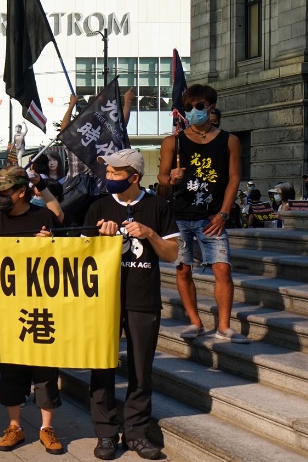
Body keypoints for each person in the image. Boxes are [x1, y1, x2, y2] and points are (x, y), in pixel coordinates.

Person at [84, 149, 179, 460]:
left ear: (134, 177)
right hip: (104, 301)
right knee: (102, 368)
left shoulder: (158, 206)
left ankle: (137, 434)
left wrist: (150, 233)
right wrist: (100, 239)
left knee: (141, 369)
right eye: (108, 173)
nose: (109, 178)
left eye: (115, 173)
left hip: (143, 299)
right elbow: (83, 256)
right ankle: (106, 433)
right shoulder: (97, 206)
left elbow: (172, 254)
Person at [0, 165, 64, 454]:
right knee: (11, 370)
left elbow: (63, 253)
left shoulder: (42, 217)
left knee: (45, 369)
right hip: (5, 309)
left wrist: (50, 245)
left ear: (21, 192)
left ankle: (46, 428)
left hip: (39, 306)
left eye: (3, 192)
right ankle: (14, 426)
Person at [159, 84, 247, 343]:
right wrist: (171, 179)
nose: (193, 111)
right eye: (188, 107)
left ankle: (224, 326)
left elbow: (234, 178)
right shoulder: (172, 141)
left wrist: (223, 213)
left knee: (222, 268)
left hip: (212, 217)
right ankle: (195, 322)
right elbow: (162, 177)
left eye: (199, 106)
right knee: (183, 269)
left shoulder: (229, 140)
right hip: (180, 215)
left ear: (211, 107)